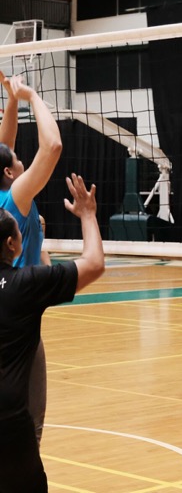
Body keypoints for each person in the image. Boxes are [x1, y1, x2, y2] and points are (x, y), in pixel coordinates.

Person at [0, 173, 105, 492]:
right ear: (12, 244)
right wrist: (87, 214)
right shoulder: (27, 284)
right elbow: (94, 263)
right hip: (9, 419)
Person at [0, 71, 63, 445]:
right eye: (18, 160)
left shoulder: (5, 193)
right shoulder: (14, 198)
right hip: (16, 318)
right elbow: (52, 147)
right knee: (28, 424)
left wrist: (10, 97)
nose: (22, 161)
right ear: (9, 172)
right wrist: (32, 96)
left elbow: (4, 144)